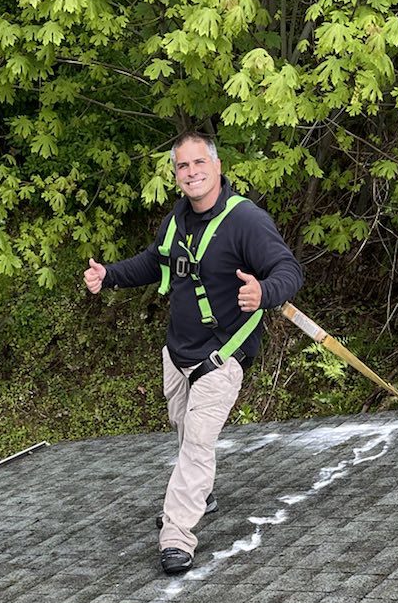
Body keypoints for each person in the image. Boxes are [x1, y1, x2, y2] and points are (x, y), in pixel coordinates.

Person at [85, 131, 304, 574]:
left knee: (197, 443)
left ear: (217, 167)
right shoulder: (178, 220)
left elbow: (289, 270)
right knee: (185, 434)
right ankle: (199, 492)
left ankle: (177, 535)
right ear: (176, 174)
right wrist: (108, 275)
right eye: (183, 166)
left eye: (199, 163)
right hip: (177, 352)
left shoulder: (247, 221)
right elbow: (153, 262)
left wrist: (263, 292)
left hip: (222, 357)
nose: (192, 172)